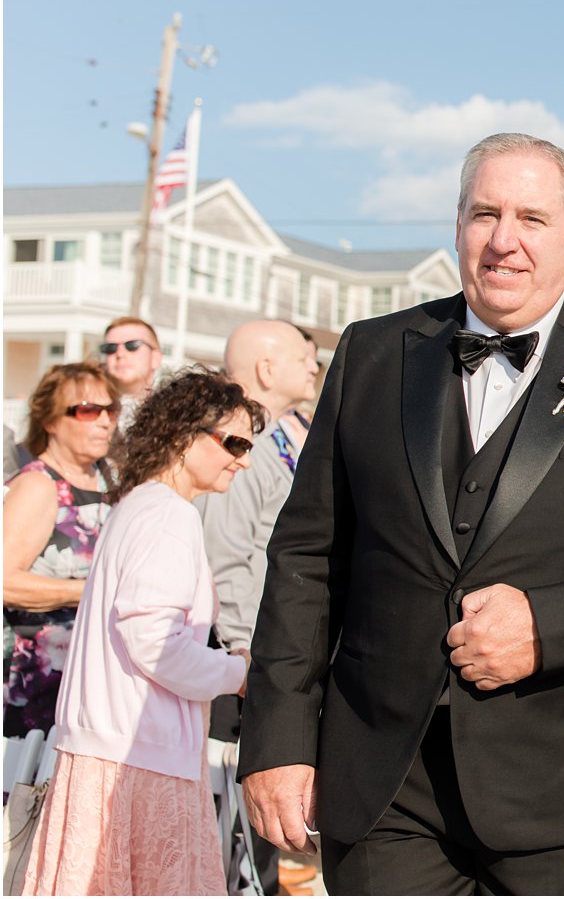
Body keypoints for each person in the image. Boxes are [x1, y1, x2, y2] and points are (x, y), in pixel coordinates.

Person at [239, 133, 564, 896]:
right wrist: (277, 740)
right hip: (380, 771)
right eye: (484, 214)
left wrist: (547, 625)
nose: (504, 240)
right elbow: (308, 555)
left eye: (531, 218)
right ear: (458, 226)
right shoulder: (374, 353)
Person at [21, 368, 260, 895]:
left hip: (116, 754)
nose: (244, 458)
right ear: (182, 435)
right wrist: (237, 671)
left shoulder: (139, 506)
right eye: (234, 441)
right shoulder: (166, 515)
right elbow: (155, 643)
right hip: (139, 761)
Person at [199, 319, 321, 896]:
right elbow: (230, 557)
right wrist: (249, 652)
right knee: (229, 831)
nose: (313, 367)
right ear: (268, 369)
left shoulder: (282, 435)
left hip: (271, 651)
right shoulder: (234, 443)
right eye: (303, 357)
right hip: (243, 662)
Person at [3, 362, 119, 735]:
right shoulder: (39, 484)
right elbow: (5, 581)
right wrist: (90, 592)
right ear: (51, 421)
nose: (104, 421)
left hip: (94, 680)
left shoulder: (112, 478)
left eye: (111, 409)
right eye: (88, 409)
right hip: (37, 683)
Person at [98, 316, 163, 430]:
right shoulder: (87, 410)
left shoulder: (179, 410)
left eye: (132, 345)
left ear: (156, 358)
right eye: (111, 348)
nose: (120, 354)